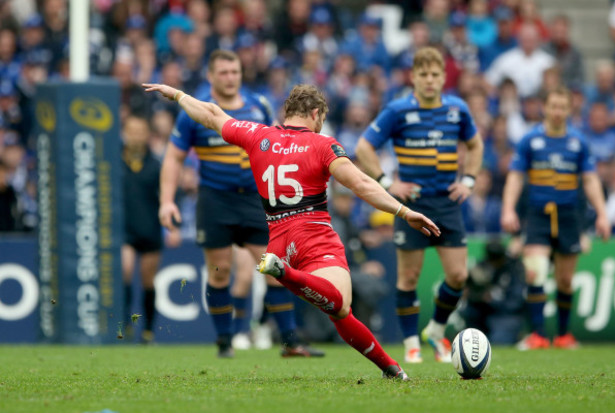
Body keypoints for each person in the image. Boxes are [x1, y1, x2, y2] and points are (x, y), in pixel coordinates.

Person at [143, 81, 441, 381]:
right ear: (314, 113)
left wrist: (179, 95)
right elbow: (360, 184)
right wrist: (404, 211)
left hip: (278, 239)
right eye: (321, 119)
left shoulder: (258, 136)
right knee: (340, 304)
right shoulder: (323, 145)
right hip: (314, 237)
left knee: (339, 312)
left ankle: (390, 369)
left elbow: (211, 114)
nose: (321, 124)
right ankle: (286, 274)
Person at [158, 49, 321, 358]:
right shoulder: (196, 111)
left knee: (277, 269)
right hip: (215, 200)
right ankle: (224, 343)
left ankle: (290, 343)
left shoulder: (258, 105)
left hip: (256, 202)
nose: (230, 78)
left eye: (235, 72)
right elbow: (174, 158)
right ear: (210, 76)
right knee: (219, 273)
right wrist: (167, 201)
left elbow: (280, 147)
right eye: (223, 72)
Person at [355, 47, 484, 364]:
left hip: (447, 203)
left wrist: (468, 180)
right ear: (413, 77)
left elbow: (475, 144)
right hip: (412, 205)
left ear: (443, 78)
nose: (429, 80)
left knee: (457, 276)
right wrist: (388, 183)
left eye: (435, 74)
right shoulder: (398, 110)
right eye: (423, 74)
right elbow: (364, 146)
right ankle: (411, 343)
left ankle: (436, 331)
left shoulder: (457, 109)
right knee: (408, 278)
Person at [501, 86, 611, 350]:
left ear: (569, 109)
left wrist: (602, 215)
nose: (558, 112)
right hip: (538, 215)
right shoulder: (530, 141)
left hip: (568, 216)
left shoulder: (578, 143)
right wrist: (508, 209)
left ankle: (563, 335)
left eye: (563, 107)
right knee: (535, 272)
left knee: (564, 280)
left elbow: (590, 180)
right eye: (554, 106)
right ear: (545, 108)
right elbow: (515, 176)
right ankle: (537, 335)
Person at [121, 115, 177, 343]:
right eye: (131, 130)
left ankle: (148, 330)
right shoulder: (114, 162)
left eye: (140, 131)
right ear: (125, 133)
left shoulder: (156, 165)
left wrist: (174, 226)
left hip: (150, 228)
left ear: (147, 134)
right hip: (124, 229)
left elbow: (170, 195)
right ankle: (125, 323)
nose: (135, 136)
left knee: (147, 280)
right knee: (124, 270)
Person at [460, 238, 526, 345]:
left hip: (506, 315)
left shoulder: (514, 268)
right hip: (485, 313)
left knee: (498, 342)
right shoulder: (482, 266)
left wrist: (493, 299)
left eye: (496, 259)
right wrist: (477, 295)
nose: (494, 262)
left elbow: (517, 301)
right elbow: (469, 291)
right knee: (470, 313)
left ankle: (518, 337)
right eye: (491, 258)